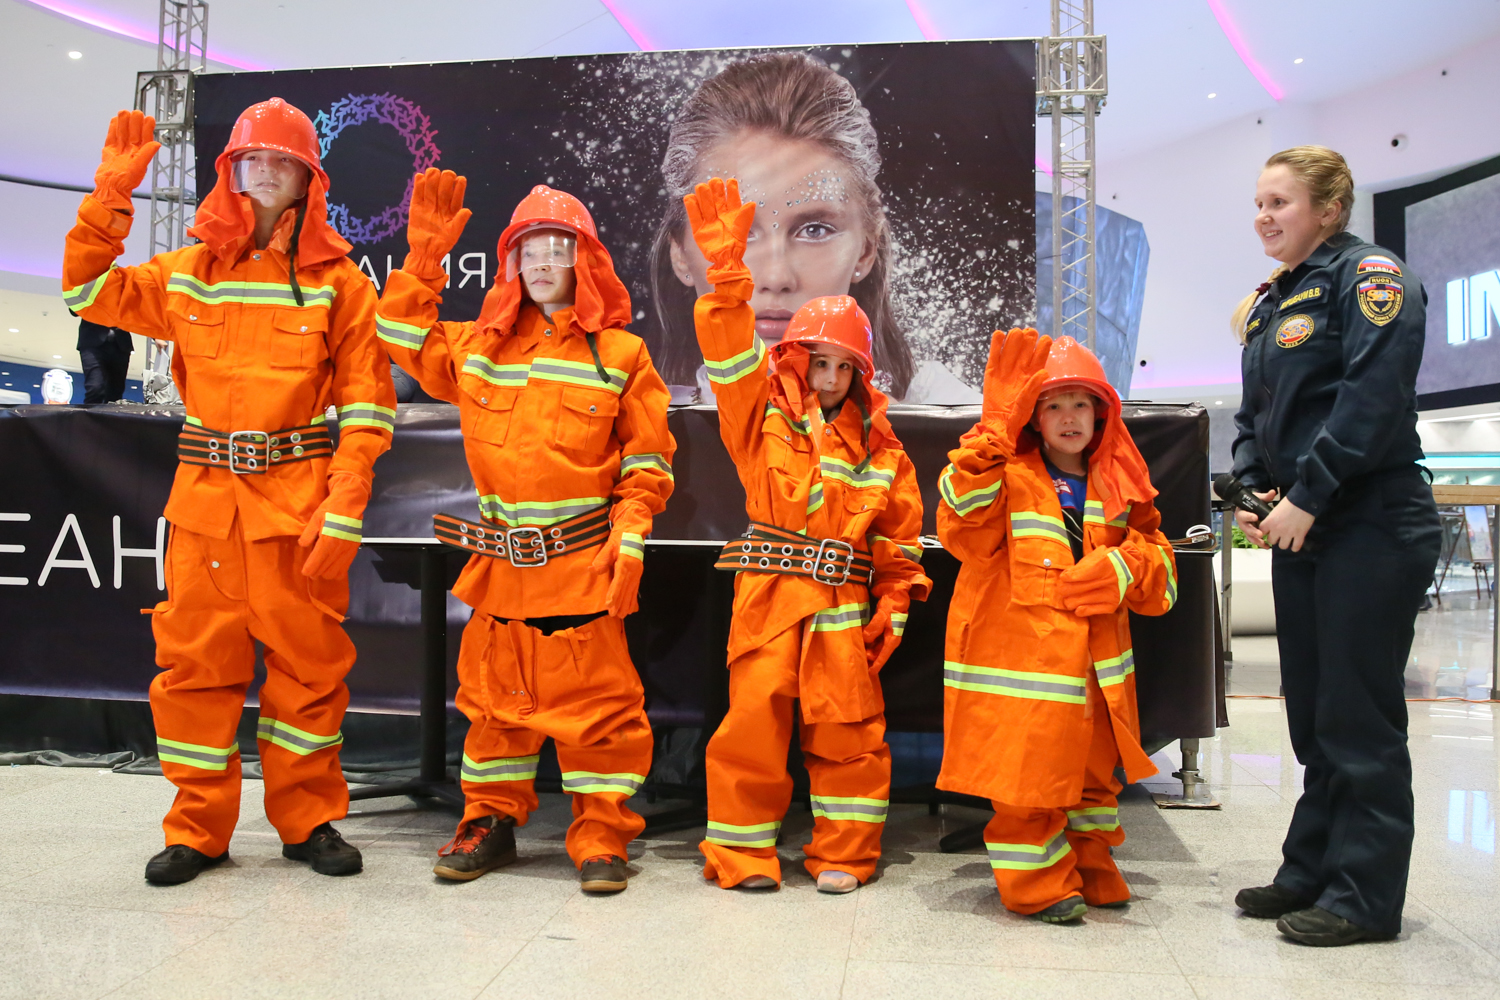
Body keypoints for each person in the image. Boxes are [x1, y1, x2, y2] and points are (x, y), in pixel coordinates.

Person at [62, 102, 396, 884]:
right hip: (205, 514)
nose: (267, 170)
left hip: (297, 512)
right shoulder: (186, 272)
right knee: (193, 676)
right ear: (231, 171)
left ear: (310, 178)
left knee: (309, 676)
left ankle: (308, 822)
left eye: (284, 160)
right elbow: (87, 293)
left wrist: (346, 501)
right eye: (253, 158)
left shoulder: (341, 285)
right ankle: (197, 831)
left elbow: (368, 405)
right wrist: (110, 198)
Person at [377, 170, 675, 893]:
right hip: (500, 572)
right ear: (511, 262)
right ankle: (488, 821)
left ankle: (601, 835)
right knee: (493, 709)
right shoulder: (476, 349)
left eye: (557, 249)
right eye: (528, 250)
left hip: (580, 569)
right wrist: (423, 259)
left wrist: (632, 530)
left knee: (600, 713)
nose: (542, 263)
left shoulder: (621, 356)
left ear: (585, 261)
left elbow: (648, 463)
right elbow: (399, 335)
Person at [685, 177, 930, 893]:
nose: (828, 376)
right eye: (817, 361)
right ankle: (740, 853)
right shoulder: (757, 418)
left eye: (842, 365)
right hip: (770, 595)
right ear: (795, 360)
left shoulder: (883, 453)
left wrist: (895, 603)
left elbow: (899, 543)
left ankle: (845, 854)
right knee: (752, 724)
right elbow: (730, 358)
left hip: (842, 606)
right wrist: (727, 278)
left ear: (860, 372)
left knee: (848, 732)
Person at [1228, 146, 1441, 946]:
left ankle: (1364, 897)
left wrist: (1309, 495)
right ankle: (1311, 870)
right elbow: (1253, 415)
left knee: (1359, 717)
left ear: (1328, 209)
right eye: (1259, 202)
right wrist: (1257, 493)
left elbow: (1372, 397)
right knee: (1315, 716)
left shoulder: (1371, 277)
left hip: (1369, 522)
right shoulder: (1272, 302)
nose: (1264, 216)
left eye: (1279, 202)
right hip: (1304, 527)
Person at [936, 328, 1176, 923]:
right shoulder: (1004, 475)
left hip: (1098, 674)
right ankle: (1038, 885)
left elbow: (1162, 569)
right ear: (1033, 418)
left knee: (1095, 779)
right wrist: (991, 435)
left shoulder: (1121, 482)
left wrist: (1127, 565)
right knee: (1027, 779)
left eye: (1081, 404)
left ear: (1101, 413)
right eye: (1053, 405)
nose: (1070, 417)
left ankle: (1091, 863)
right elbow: (960, 524)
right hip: (1026, 675)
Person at [650, 52, 978, 405]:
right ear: (680, 254)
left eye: (815, 230)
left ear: (866, 251)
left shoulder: (951, 418)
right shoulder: (628, 424)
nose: (776, 278)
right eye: (737, 233)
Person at [74, 312, 133, 402]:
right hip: (92, 341)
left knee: (115, 393)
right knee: (95, 387)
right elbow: (73, 310)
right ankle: (91, 411)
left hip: (120, 343)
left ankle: (109, 411)